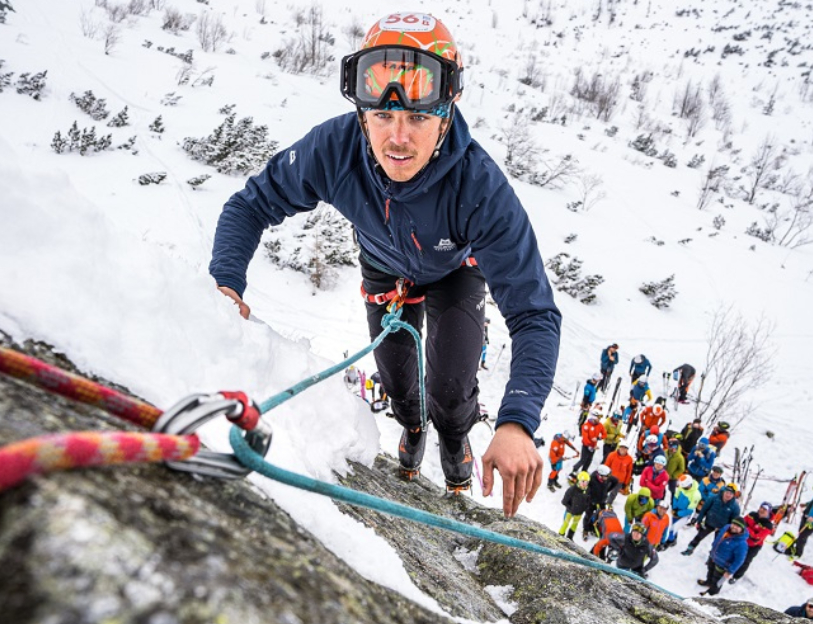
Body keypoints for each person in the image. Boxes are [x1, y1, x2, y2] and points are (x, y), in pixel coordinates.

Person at [208, 13, 561, 510]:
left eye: (417, 117)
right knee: (395, 377)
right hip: (382, 266)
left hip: (454, 273)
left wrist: (517, 421)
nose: (397, 138)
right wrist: (226, 283)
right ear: (362, 113)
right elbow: (250, 206)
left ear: (446, 111)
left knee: (451, 384)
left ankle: (453, 435)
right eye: (383, 116)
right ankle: (413, 428)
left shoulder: (479, 189)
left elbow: (534, 315)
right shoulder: (334, 150)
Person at [683, 483, 741, 555]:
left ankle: (712, 557)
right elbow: (704, 509)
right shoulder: (713, 498)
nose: (728, 495)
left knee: (718, 544)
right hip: (709, 522)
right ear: (724, 491)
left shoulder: (735, 507)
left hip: (721, 528)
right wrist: (699, 521)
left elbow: (734, 521)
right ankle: (690, 549)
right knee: (699, 536)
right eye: (727, 492)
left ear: (733, 495)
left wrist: (728, 531)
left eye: (731, 494)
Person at [697, 518, 748, 595]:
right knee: (710, 572)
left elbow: (739, 560)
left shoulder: (741, 544)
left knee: (716, 580)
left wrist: (730, 571)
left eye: (738, 526)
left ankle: (712, 593)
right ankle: (708, 582)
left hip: (723, 565)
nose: (734, 527)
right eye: (734, 524)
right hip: (713, 557)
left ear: (742, 529)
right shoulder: (726, 528)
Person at [730, 502, 776, 583]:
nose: (761, 510)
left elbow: (756, 537)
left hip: (753, 546)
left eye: (764, 509)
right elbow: (741, 523)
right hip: (742, 539)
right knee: (732, 552)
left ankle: (736, 576)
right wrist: (748, 530)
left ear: (768, 512)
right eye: (761, 507)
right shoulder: (752, 514)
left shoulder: (768, 525)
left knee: (745, 560)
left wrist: (746, 528)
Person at [665, 474, 701, 548]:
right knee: (671, 526)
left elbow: (690, 510)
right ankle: (673, 538)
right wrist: (674, 508)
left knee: (673, 528)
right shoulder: (682, 487)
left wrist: (678, 513)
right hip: (676, 510)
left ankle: (670, 541)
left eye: (685, 487)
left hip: (684, 514)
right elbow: (675, 497)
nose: (683, 488)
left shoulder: (696, 495)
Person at [559, 471, 594, 541]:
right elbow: (564, 501)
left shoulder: (588, 490)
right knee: (565, 524)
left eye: (586, 482)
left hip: (579, 513)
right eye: (582, 482)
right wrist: (571, 508)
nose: (584, 484)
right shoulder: (572, 490)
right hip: (570, 512)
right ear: (578, 481)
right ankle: (560, 537)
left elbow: (588, 500)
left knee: (575, 524)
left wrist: (585, 507)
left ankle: (570, 537)